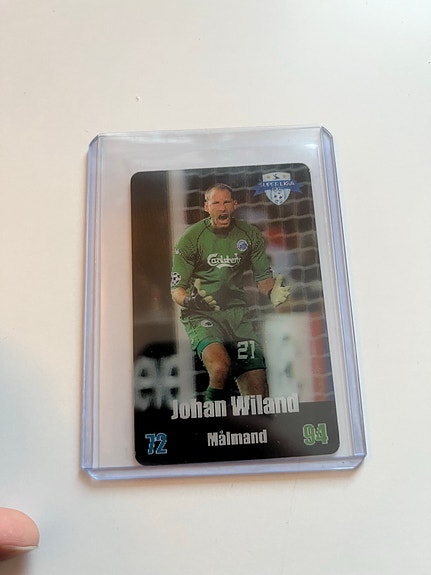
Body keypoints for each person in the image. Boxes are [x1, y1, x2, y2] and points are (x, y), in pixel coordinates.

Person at [170, 183, 290, 401]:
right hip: (201, 314)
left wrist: (272, 293)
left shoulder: (249, 235)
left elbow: (263, 279)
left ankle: (253, 422)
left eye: (226, 202)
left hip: (237, 315)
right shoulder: (190, 239)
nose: (222, 207)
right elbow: (176, 290)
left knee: (258, 390)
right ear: (206, 207)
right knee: (220, 367)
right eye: (216, 203)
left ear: (235, 205)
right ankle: (211, 416)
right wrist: (191, 301)